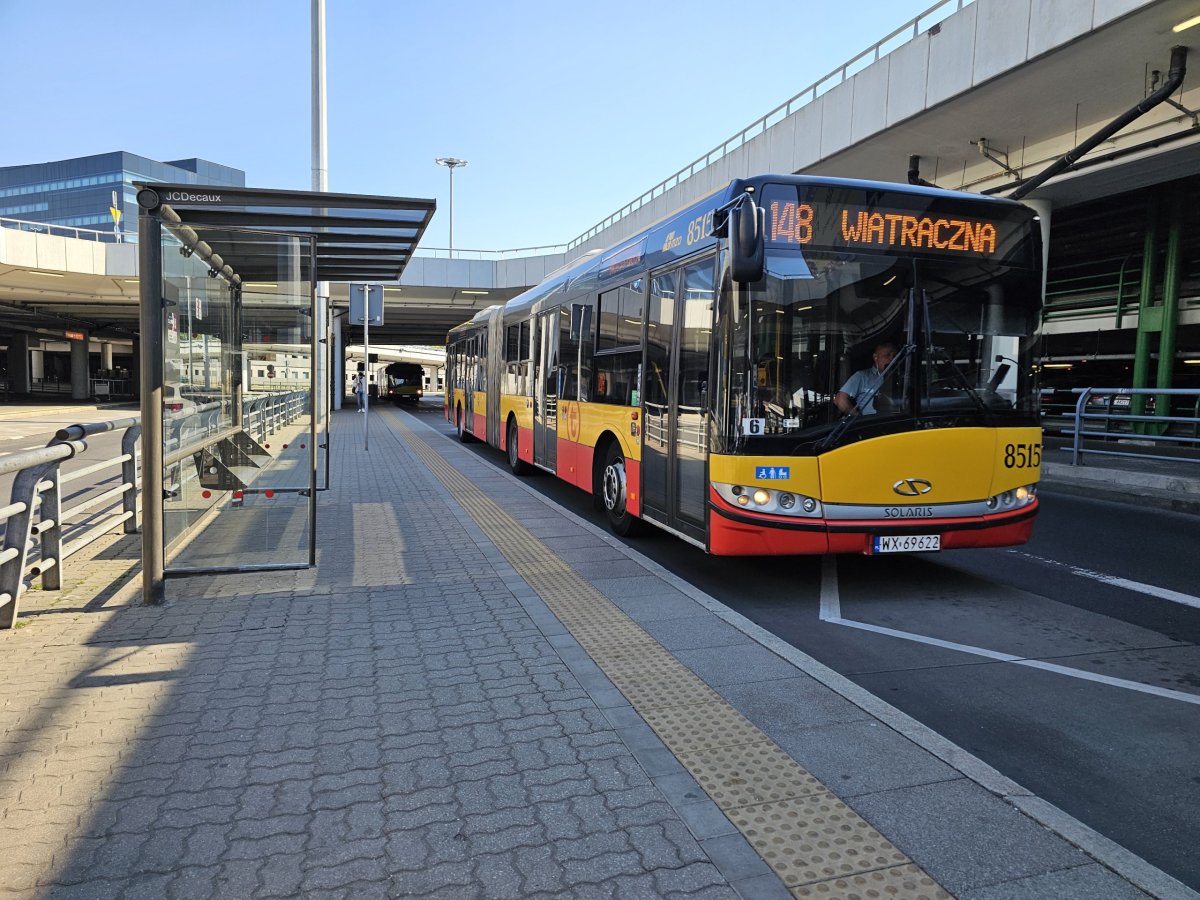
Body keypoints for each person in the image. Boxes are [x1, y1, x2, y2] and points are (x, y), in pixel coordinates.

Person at [834, 342, 897, 415]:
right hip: (871, 423)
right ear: (875, 357)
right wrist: (858, 419)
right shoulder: (862, 376)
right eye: (887, 355)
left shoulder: (901, 377)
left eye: (894, 356)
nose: (892, 359)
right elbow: (840, 399)